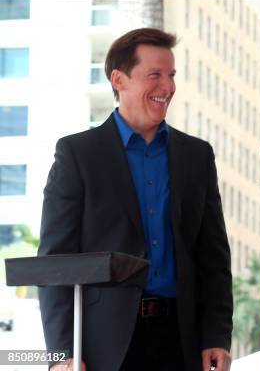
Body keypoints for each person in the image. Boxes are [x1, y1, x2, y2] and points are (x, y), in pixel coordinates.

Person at [38, 28, 232, 371]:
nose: (168, 87)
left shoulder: (197, 156)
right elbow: (55, 261)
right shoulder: (77, 154)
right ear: (119, 80)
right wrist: (61, 354)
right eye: (154, 75)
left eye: (171, 75)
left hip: (181, 342)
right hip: (103, 346)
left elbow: (213, 259)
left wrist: (216, 335)